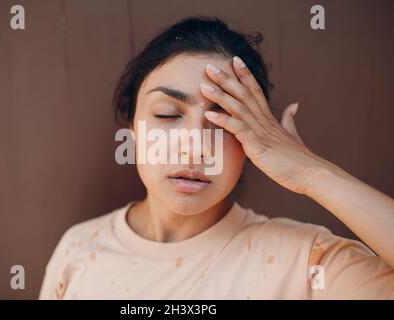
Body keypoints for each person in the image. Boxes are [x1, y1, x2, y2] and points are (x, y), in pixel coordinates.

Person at [39, 16, 394, 299]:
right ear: (132, 130)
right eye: (166, 114)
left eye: (222, 120)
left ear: (253, 139)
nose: (196, 146)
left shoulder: (305, 262)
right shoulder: (79, 250)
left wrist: (311, 173)